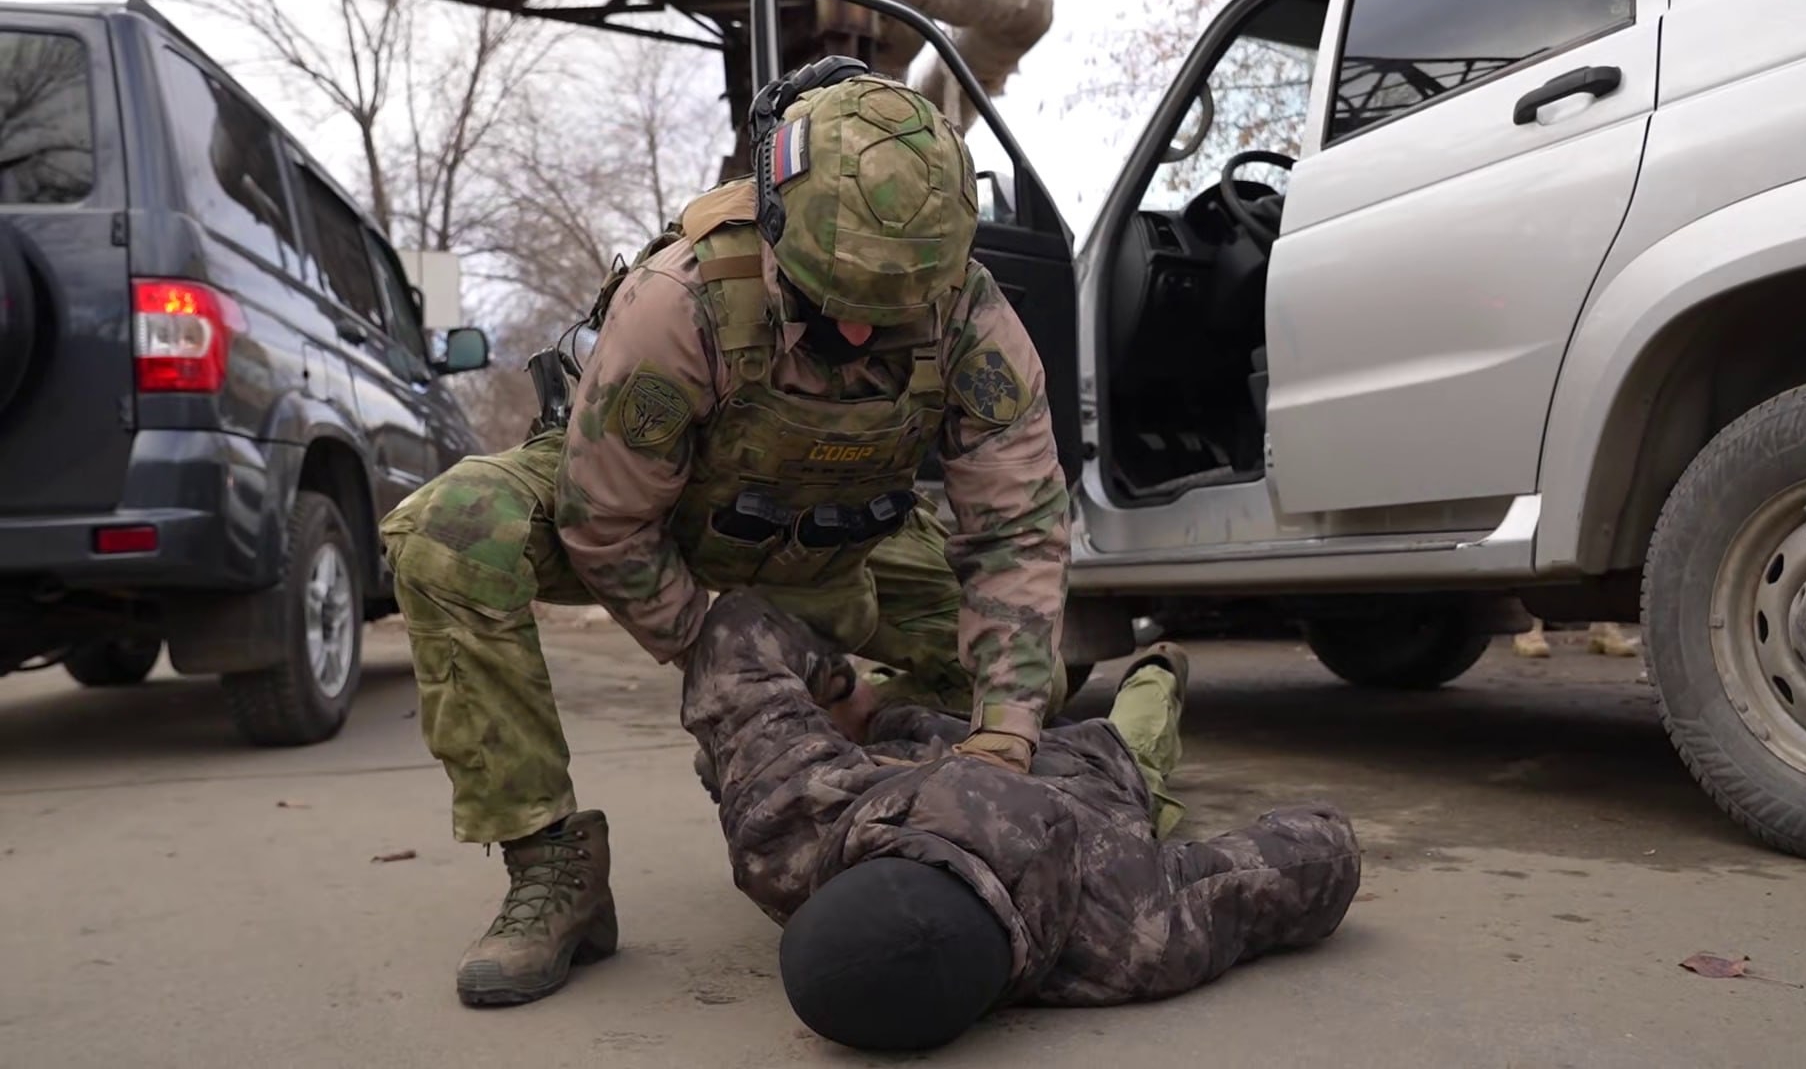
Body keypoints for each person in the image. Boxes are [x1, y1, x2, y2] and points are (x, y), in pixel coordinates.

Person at [376, 61, 1071, 1008]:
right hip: (664, 529)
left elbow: (1020, 529)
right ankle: (554, 866)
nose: (862, 336)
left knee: (1021, 681)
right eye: (835, 302)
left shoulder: (970, 314)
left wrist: (999, 743)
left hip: (837, 543)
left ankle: (891, 782)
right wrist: (748, 683)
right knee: (450, 534)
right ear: (778, 230)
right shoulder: (683, 299)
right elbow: (609, 520)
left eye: (890, 311)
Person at [682, 590, 1363, 1052]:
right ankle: (1157, 667)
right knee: (1137, 723)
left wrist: (847, 700)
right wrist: (846, 696)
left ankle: (1158, 670)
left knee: (1136, 737)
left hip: (1073, 766)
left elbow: (1310, 859)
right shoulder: (787, 825)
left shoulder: (1127, 934)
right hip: (978, 751)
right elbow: (738, 630)